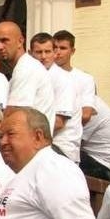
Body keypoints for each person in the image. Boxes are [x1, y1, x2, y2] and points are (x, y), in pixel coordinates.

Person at [0, 21, 55, 133]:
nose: (0, 47)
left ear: (20, 41)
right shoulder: (24, 66)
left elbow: (14, 112)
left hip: (33, 143)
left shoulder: (25, 68)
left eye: (5, 40)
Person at [29, 32, 81, 162]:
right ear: (30, 54)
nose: (43, 56)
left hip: (61, 149)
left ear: (54, 53)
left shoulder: (64, 80)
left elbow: (59, 122)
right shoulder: (34, 76)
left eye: (47, 51)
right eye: (38, 52)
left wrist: (25, 133)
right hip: (40, 142)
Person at [53, 30, 97, 126]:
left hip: (69, 137)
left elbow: (86, 114)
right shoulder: (44, 75)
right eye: (54, 48)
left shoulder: (85, 79)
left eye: (63, 48)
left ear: (72, 51)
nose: (58, 52)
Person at [80, 95, 110, 181]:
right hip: (98, 161)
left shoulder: (91, 109)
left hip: (104, 166)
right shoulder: (92, 101)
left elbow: (72, 140)